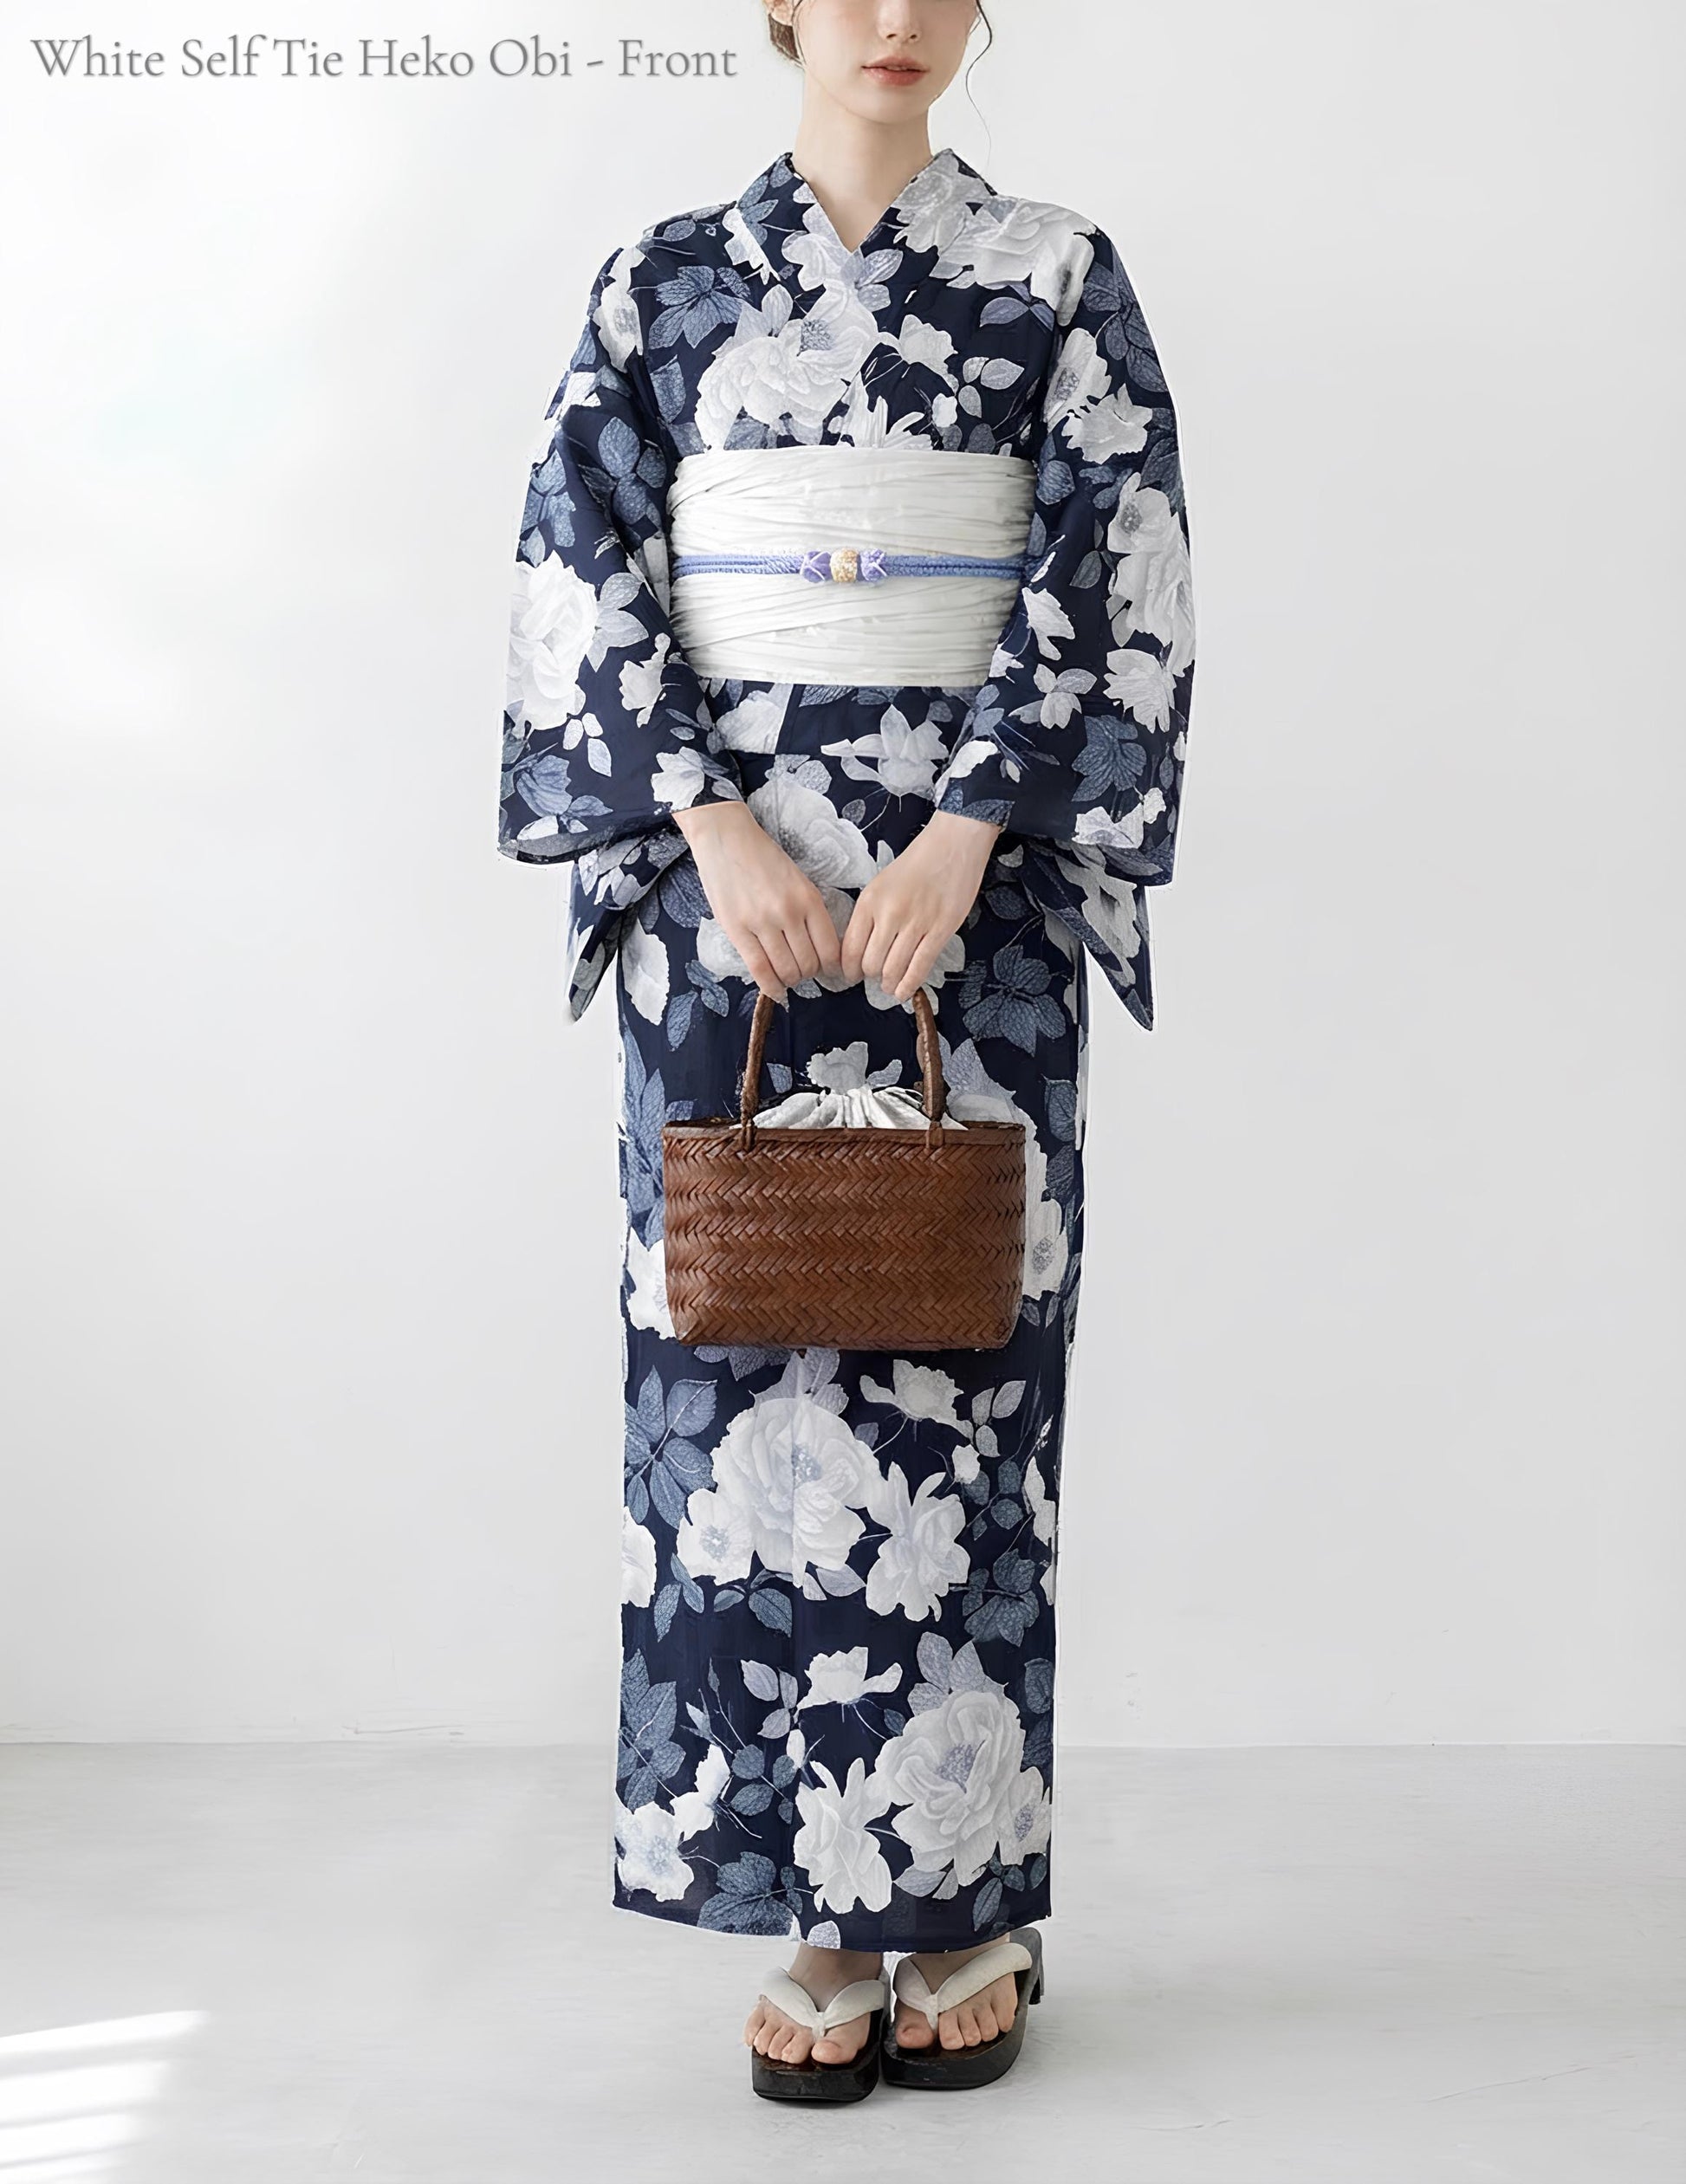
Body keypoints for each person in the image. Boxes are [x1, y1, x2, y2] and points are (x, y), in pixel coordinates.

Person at [498, 0, 1195, 2103]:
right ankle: (809, 1906)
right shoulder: (661, 283)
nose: (893, 20)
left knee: (961, 1367)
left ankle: (959, 1897)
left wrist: (971, 831)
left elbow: (1113, 558)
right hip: (728, 910)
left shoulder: (1054, 277)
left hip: (969, 915)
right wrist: (710, 828)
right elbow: (581, 563)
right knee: (735, 1375)